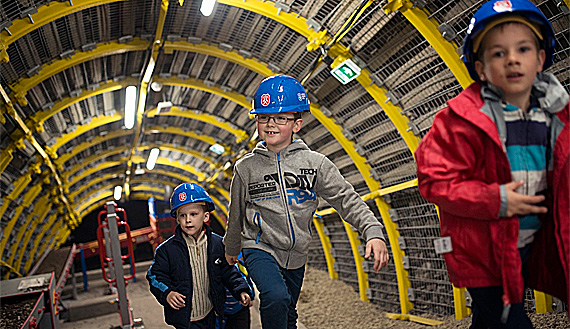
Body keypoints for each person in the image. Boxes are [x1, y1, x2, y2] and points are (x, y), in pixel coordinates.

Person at [415, 0, 569, 328]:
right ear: (481, 68)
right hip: (482, 249)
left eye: (523, 48)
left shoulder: (560, 115)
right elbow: (434, 180)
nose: (512, 59)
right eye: (498, 53)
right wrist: (496, 199)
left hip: (539, 241)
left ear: (541, 58)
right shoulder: (457, 121)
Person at [223, 74, 390, 329]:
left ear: (297, 124)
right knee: (275, 297)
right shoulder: (246, 168)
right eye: (264, 117)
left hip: (297, 254)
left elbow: (346, 199)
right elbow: (235, 214)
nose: (270, 124)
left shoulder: (315, 164)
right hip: (259, 247)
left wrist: (373, 231)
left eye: (280, 118)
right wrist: (232, 248)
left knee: (288, 310)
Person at [147, 183, 253, 329]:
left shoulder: (218, 244)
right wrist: (167, 293)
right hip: (185, 319)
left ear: (206, 216)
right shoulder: (166, 251)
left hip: (211, 313)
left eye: (193, 214)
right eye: (182, 215)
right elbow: (155, 276)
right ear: (177, 219)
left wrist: (241, 289)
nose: (187, 220)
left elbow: (228, 271)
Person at [216, 258, 254, 329]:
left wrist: (251, 296)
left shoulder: (241, 266)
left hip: (239, 308)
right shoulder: (217, 268)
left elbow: (247, 281)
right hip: (221, 311)